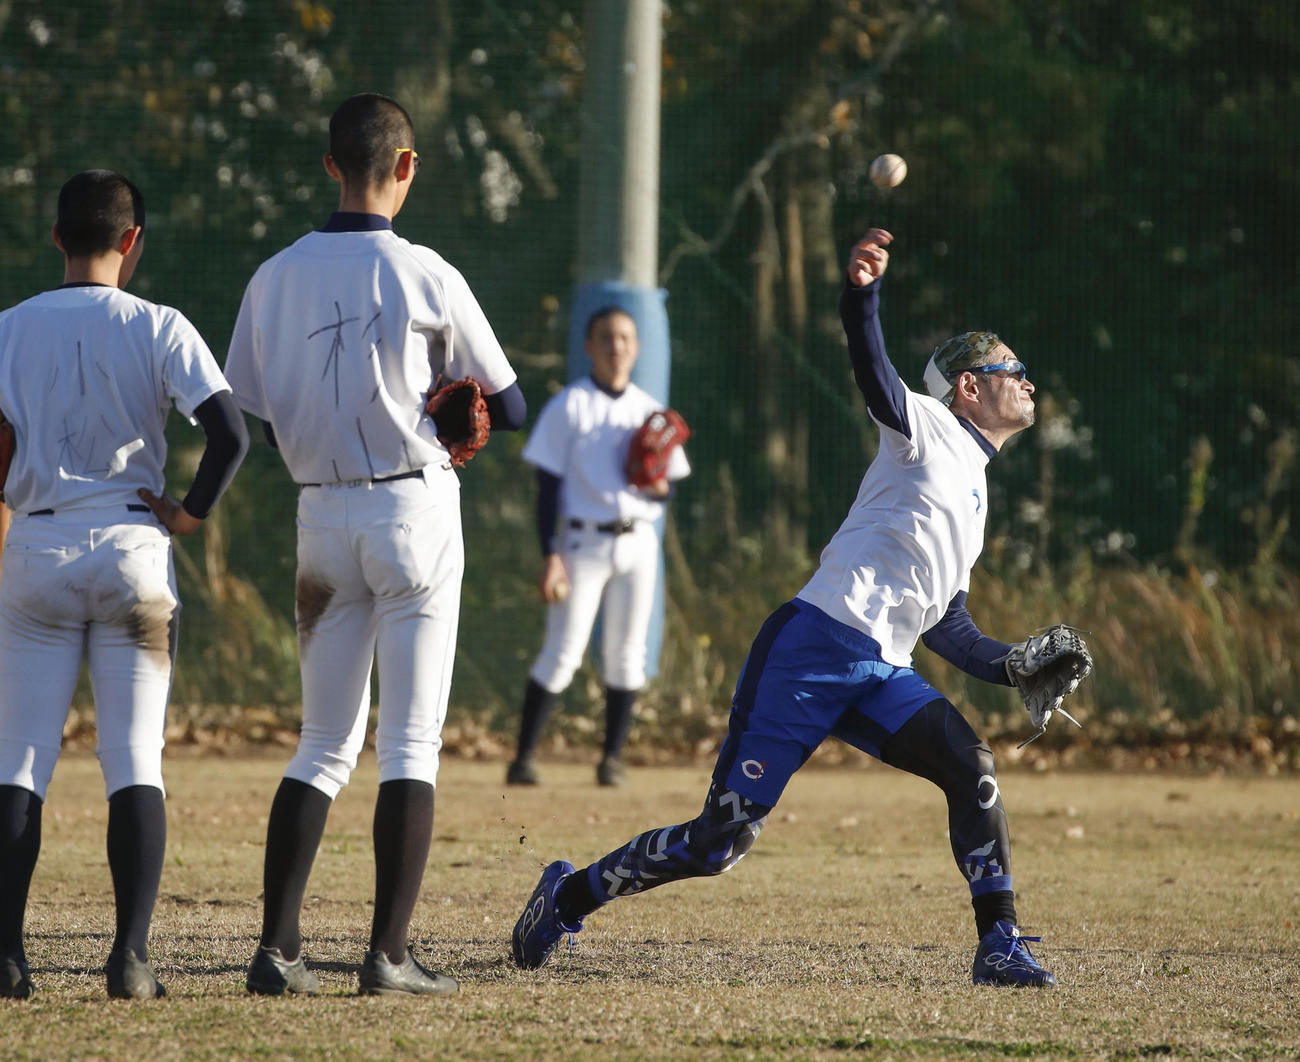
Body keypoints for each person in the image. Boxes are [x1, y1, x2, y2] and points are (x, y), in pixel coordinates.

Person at [511, 228, 1063, 987]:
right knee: (718, 843)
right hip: (810, 650)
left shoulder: (974, 486)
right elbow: (874, 371)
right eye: (1015, 370)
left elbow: (945, 624)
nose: (1028, 381)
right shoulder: (927, 430)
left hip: (880, 670)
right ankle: (567, 895)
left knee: (971, 765)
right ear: (969, 387)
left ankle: (999, 942)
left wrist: (1013, 664)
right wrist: (861, 293)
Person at [225, 93, 525, 998]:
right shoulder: (428, 270)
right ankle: (388, 955)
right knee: (411, 742)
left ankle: (277, 951)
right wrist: (443, 402)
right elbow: (506, 408)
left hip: (321, 516)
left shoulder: (273, 275)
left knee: (321, 741)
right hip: (413, 513)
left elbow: (255, 416)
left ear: (329, 166)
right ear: (406, 167)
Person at [0, 170, 249, 1001]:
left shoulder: (9, 327)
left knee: (21, 761)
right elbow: (229, 435)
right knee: (134, 759)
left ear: (56, 237)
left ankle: (6, 958)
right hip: (133, 551)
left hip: (36, 545)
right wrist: (188, 515)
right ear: (130, 240)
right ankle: (130, 960)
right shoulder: (160, 325)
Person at [505, 306, 690, 788]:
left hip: (639, 541)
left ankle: (611, 760)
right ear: (588, 347)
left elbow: (668, 487)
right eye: (606, 337)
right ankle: (522, 758)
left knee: (626, 654)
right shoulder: (570, 405)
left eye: (626, 337)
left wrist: (656, 485)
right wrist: (551, 556)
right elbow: (546, 489)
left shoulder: (648, 409)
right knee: (562, 653)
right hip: (582, 542)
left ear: (638, 347)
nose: (617, 346)